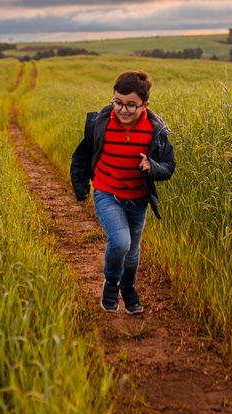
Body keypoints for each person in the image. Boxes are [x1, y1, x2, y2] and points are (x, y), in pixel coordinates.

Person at [69, 70, 176, 315]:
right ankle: (111, 283)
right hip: (107, 192)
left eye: (130, 105)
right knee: (121, 242)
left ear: (145, 105)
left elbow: (169, 166)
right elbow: (83, 155)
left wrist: (152, 166)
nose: (123, 110)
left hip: (138, 199)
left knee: (132, 252)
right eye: (117, 102)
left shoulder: (154, 131)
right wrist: (80, 184)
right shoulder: (101, 124)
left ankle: (127, 287)